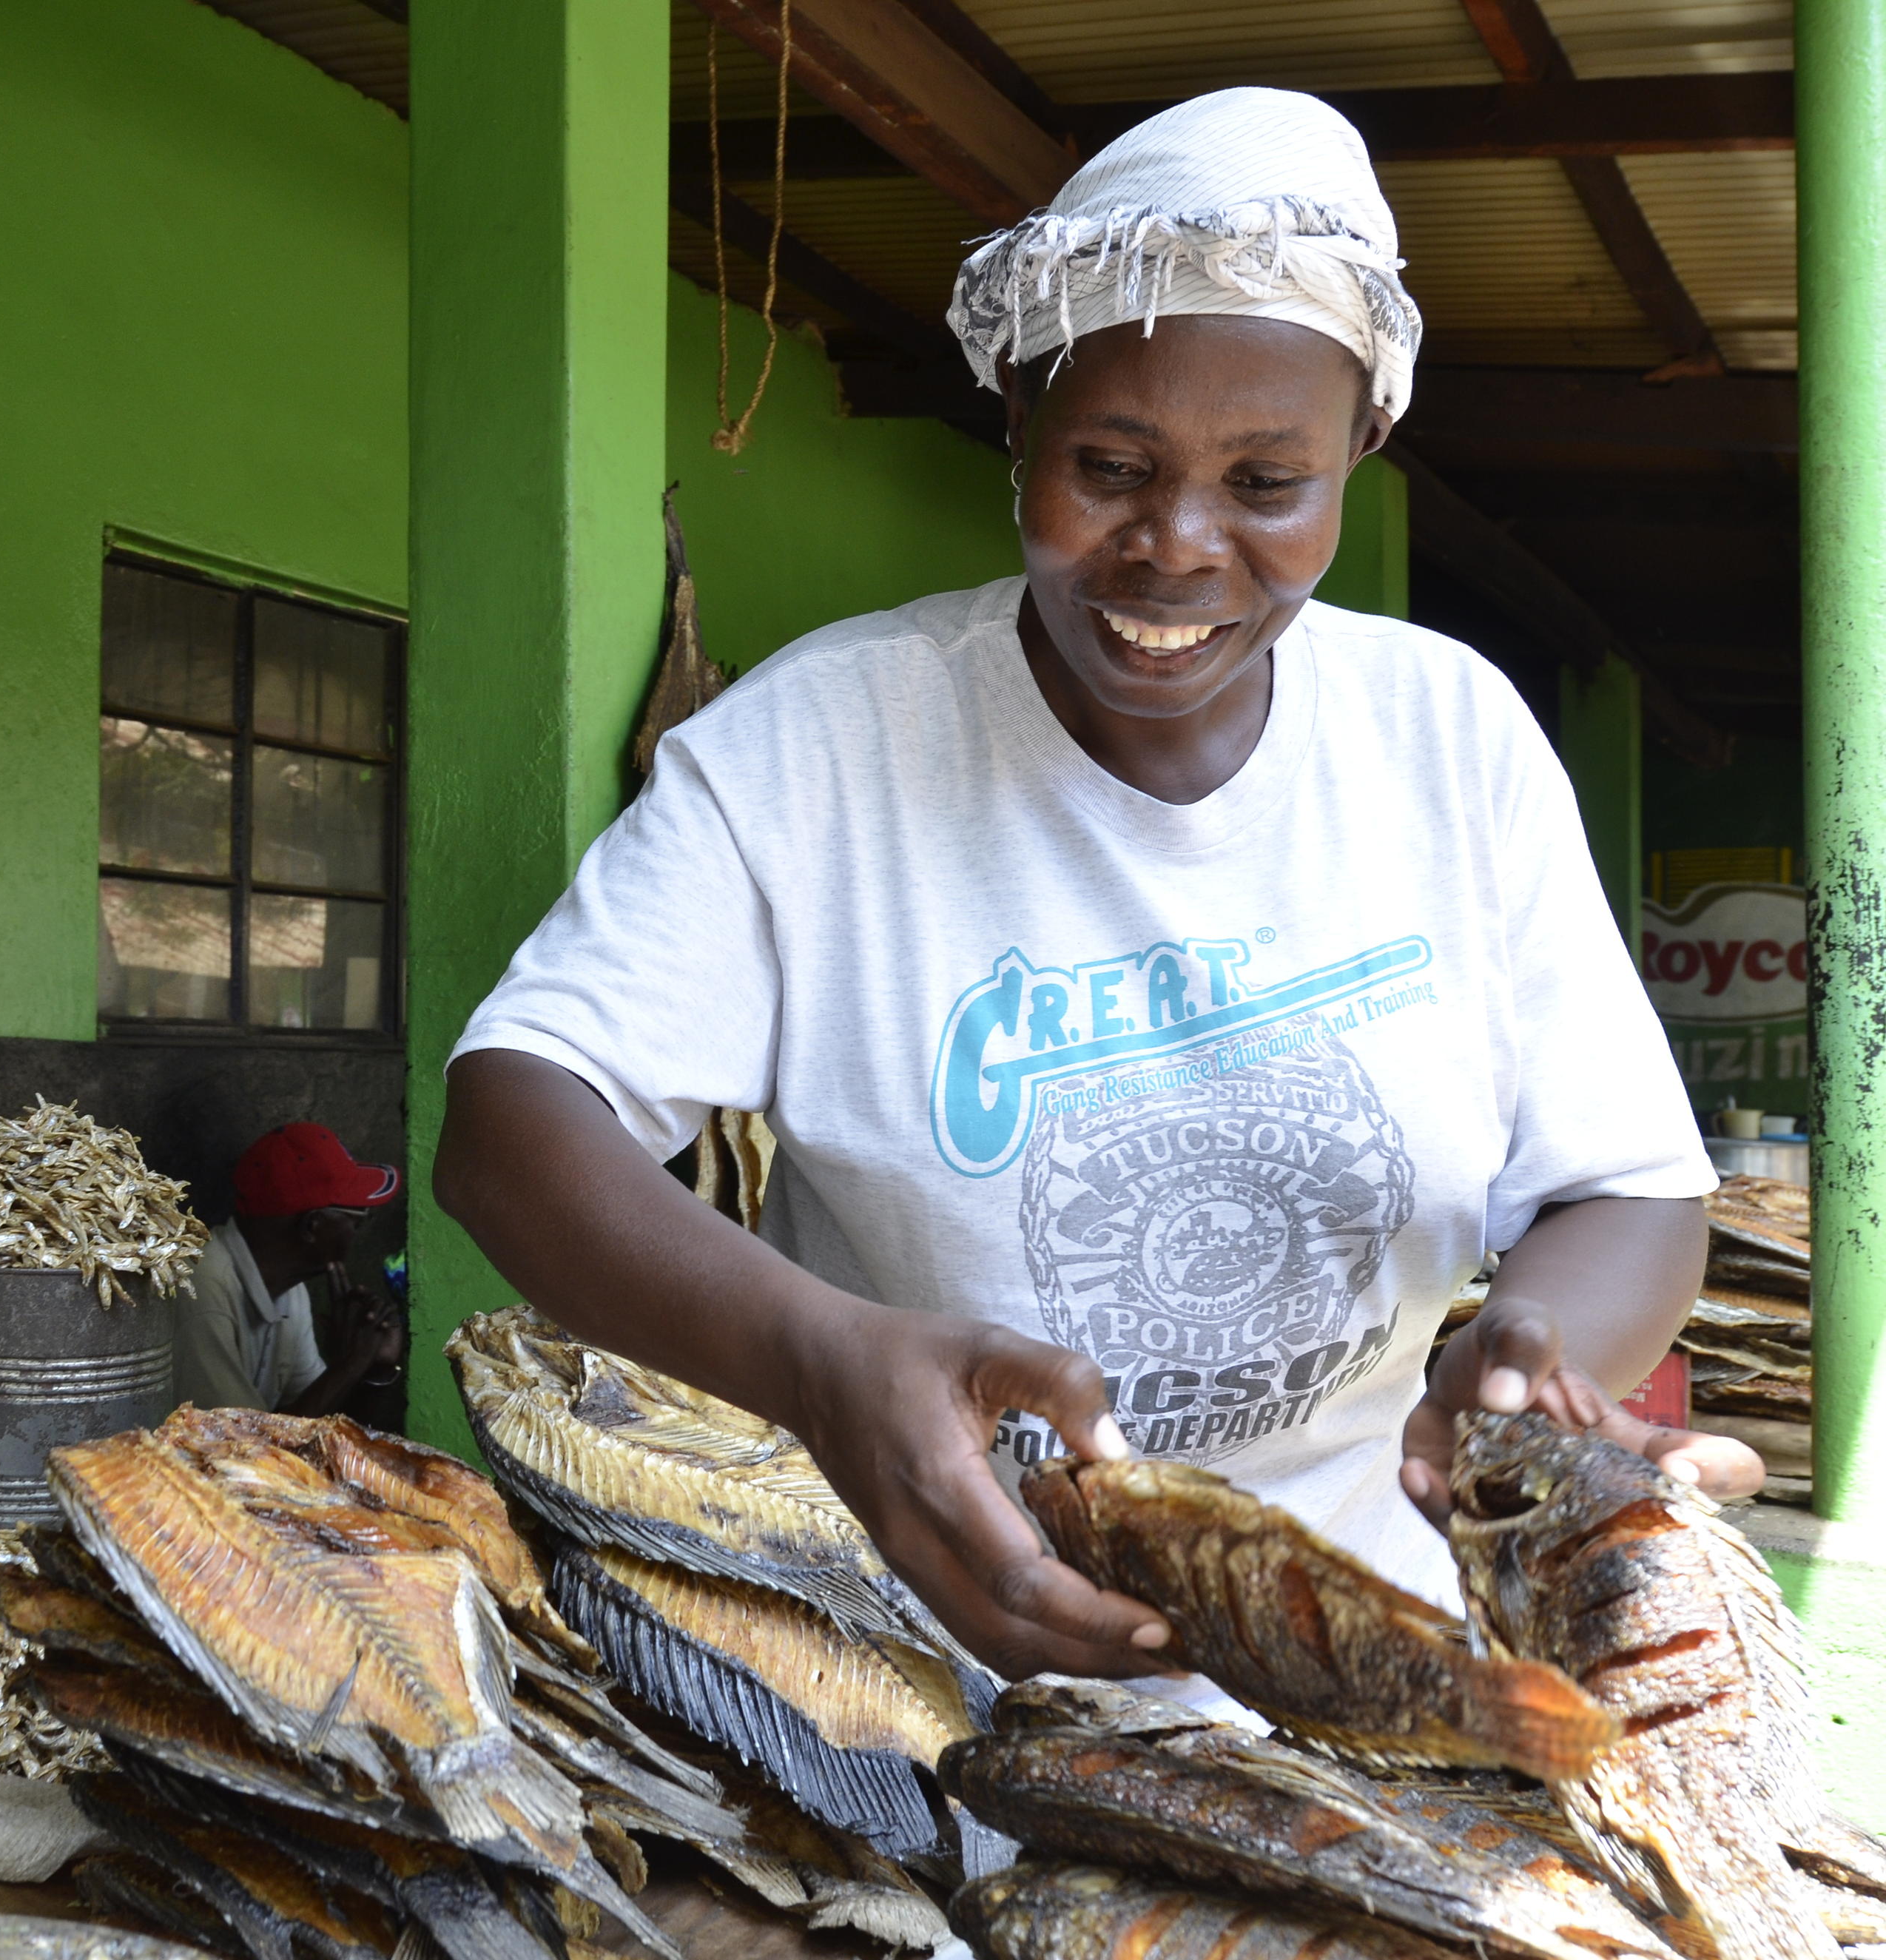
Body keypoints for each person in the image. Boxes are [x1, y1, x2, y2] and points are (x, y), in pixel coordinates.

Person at [434, 88, 1762, 1691]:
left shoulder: (1446, 737)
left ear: (1361, 446)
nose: (1176, 547)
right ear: (1011, 420)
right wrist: (818, 1358)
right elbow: (512, 1121)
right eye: (1109, 465)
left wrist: (1521, 1354)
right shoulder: (818, 744)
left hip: (1355, 1665)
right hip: (890, 1668)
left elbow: (1629, 1185)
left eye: (1266, 483)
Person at [174, 1122, 408, 1416]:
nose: (359, 1232)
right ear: (313, 1226)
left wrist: (375, 1366)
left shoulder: (291, 1292)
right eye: (359, 1219)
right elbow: (238, 1448)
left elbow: (316, 1421)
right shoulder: (202, 1285)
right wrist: (351, 1361)